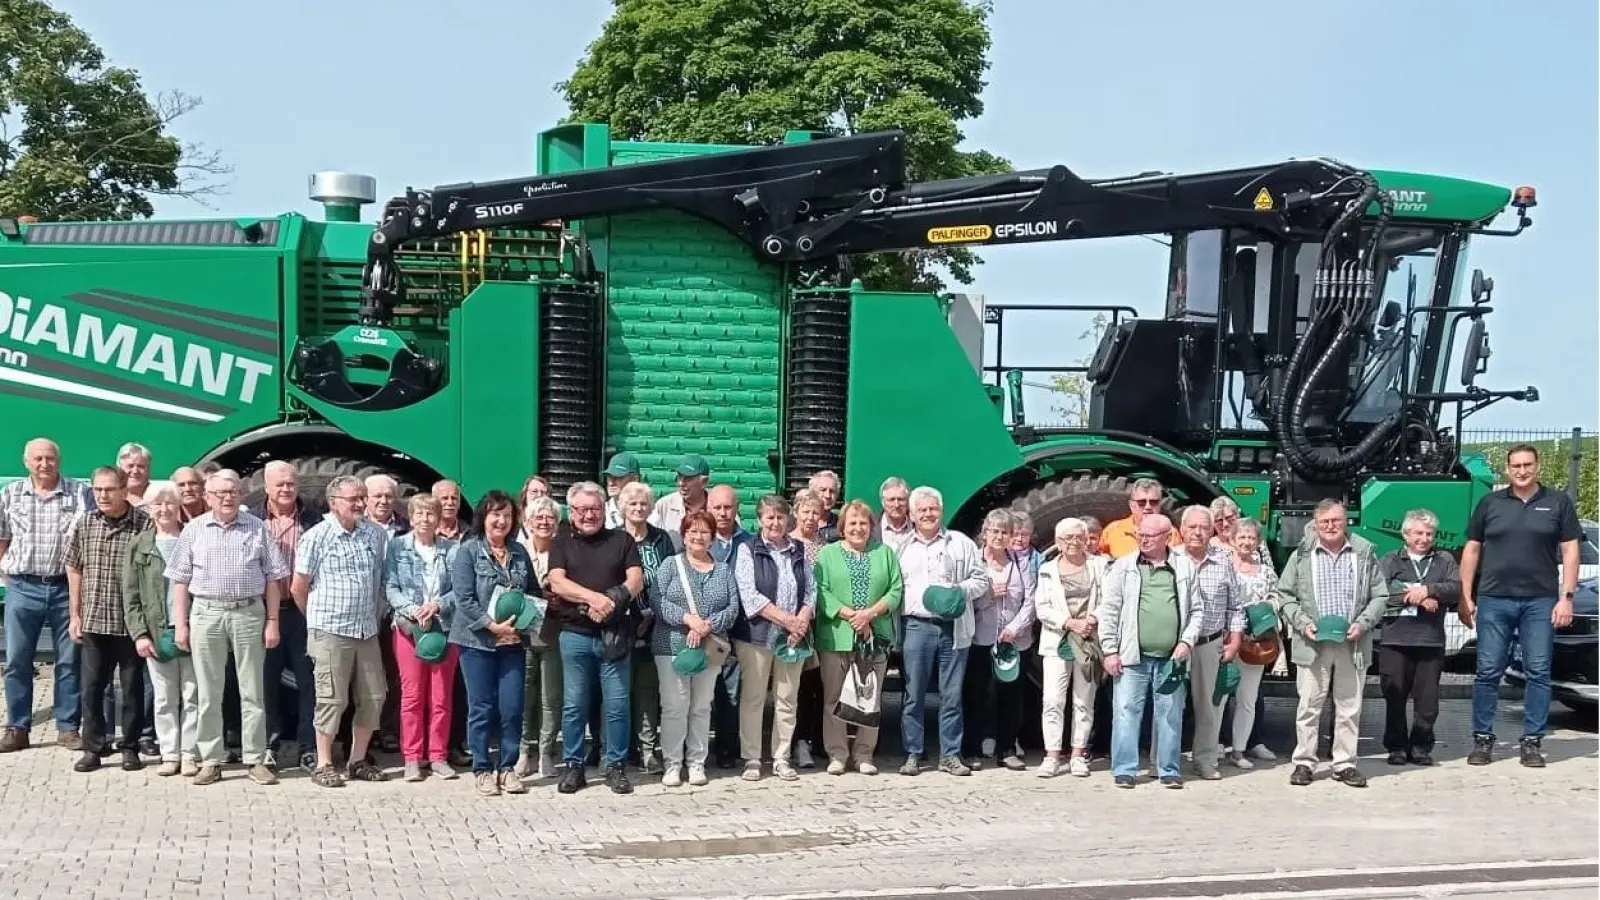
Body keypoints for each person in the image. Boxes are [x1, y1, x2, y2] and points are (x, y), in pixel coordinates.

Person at [1459, 444, 1584, 768]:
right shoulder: (1490, 504)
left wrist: (1566, 597)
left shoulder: (1558, 503)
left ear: (1537, 466)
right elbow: (1471, 550)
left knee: (1539, 671)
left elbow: (1571, 551)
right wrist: (1466, 595)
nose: (1522, 471)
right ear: (1508, 469)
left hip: (1540, 602)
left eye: (1528, 464)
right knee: (1487, 671)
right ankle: (1483, 739)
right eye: (1516, 466)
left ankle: (1532, 741)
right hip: (1494, 599)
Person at [167, 469, 288, 786]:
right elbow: (180, 582)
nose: (227, 497)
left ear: (240, 494)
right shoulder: (193, 531)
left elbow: (274, 579)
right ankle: (210, 759)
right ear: (207, 497)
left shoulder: (258, 528)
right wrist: (181, 625)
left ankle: (256, 758)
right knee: (208, 693)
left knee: (253, 692)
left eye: (232, 491)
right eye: (219, 492)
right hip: (206, 614)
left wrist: (272, 621)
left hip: (249, 613)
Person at [1273, 499, 1388, 788]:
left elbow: (1380, 596)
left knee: (1349, 706)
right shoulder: (1301, 555)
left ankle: (1345, 764)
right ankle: (1304, 763)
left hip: (1352, 642)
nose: (1331, 526)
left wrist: (1363, 623)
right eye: (1325, 521)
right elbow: (1284, 594)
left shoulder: (1363, 553)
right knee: (1309, 705)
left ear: (1345, 520)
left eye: (1336, 520)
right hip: (1313, 643)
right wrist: (1301, 622)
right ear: (1316, 523)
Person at [291, 475, 390, 789]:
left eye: (363, 497)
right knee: (331, 700)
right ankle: (323, 764)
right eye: (353, 499)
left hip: (366, 631)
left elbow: (379, 579)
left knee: (374, 696)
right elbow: (298, 587)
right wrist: (317, 621)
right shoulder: (317, 537)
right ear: (334, 503)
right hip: (330, 631)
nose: (361, 504)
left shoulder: (374, 534)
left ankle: (357, 760)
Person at [547, 481, 646, 795]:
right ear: (572, 511)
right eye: (583, 509)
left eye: (595, 509)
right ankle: (574, 766)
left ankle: (614, 765)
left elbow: (636, 580)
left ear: (605, 510)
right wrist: (595, 599)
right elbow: (557, 582)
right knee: (574, 705)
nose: (589, 515)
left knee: (617, 705)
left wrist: (612, 601)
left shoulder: (622, 540)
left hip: (614, 635)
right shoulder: (561, 542)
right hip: (575, 635)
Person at [0, 437, 95, 754]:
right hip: (22, 587)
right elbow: (2, 537)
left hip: (65, 588)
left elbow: (88, 537)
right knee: (17, 660)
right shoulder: (11, 494)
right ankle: (18, 727)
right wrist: (6, 575)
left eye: (50, 458)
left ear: (59, 460)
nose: (44, 464)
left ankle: (68, 727)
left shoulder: (79, 494)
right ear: (26, 461)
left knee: (69, 660)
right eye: (38, 459)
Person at [1098, 513, 1203, 788]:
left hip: (1172, 657)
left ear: (1167, 538)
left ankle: (1168, 770)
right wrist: (1109, 650)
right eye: (1140, 534)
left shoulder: (1184, 567)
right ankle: (1125, 770)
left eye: (1150, 535)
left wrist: (1186, 642)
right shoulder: (1124, 566)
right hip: (1132, 656)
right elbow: (1109, 610)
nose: (1143, 539)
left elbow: (1197, 611)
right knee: (1125, 711)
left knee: (1170, 713)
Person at [448, 490, 540, 796]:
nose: (501, 521)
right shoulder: (469, 551)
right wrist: (492, 627)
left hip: (513, 642)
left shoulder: (519, 552)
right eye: (495, 514)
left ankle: (508, 768)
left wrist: (522, 626)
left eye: (506, 515)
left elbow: (533, 594)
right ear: (483, 518)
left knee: (512, 707)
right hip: (477, 642)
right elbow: (463, 598)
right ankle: (482, 768)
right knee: (481, 707)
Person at [895, 486, 989, 777]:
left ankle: (950, 754)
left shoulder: (960, 543)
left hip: (953, 628)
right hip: (916, 627)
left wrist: (957, 592)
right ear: (911, 514)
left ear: (942, 511)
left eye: (933, 508)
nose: (928, 514)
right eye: (922, 510)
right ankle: (913, 753)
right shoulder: (901, 548)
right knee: (914, 695)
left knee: (951, 695)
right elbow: (894, 588)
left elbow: (981, 580)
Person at [65, 466, 153, 773]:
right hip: (94, 620)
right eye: (98, 489)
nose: (102, 495)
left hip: (130, 623)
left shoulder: (144, 524)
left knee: (131, 690)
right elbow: (74, 567)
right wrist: (74, 613)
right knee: (91, 688)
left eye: (109, 489)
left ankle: (129, 747)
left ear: (124, 489)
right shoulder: (86, 523)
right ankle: (94, 747)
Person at [812, 500, 902, 775]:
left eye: (863, 523)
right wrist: (850, 615)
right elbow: (820, 589)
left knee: (869, 697)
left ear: (871, 527)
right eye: (852, 523)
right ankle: (837, 754)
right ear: (842, 527)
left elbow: (895, 589)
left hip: (874, 636)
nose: (858, 528)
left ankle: (864, 754)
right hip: (837, 636)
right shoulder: (827, 554)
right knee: (834, 697)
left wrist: (870, 615)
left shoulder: (885, 553)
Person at [651, 510, 740, 787]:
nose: (698, 536)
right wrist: (687, 619)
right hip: (671, 644)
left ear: (712, 537)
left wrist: (707, 626)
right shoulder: (670, 565)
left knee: (702, 706)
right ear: (684, 534)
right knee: (675, 706)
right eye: (692, 531)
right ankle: (672, 763)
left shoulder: (723, 570)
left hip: (709, 646)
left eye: (704, 531)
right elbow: (657, 599)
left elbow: (733, 608)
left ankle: (697, 762)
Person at [732, 494, 816, 782]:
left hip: (793, 637)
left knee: (787, 699)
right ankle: (752, 758)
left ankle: (781, 757)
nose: (775, 522)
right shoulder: (747, 549)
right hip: (757, 636)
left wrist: (801, 620)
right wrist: (787, 620)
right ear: (759, 520)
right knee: (754, 698)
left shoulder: (800, 550)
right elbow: (749, 596)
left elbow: (811, 591)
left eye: (780, 517)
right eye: (770, 517)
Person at [123, 482, 199, 776]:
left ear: (179, 505)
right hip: (156, 632)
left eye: (170, 503)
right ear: (149, 509)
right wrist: (139, 634)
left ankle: (190, 753)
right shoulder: (139, 544)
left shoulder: (193, 538)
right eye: (158, 504)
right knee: (165, 697)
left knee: (193, 695)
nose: (164, 509)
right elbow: (130, 595)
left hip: (193, 629)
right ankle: (170, 753)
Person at [385, 493, 461, 782]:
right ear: (411, 517)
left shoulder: (452, 550)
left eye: (431, 514)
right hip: (409, 628)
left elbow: (459, 589)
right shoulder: (397, 547)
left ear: (438, 517)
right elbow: (390, 587)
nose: (425, 520)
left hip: (445, 627)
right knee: (413, 696)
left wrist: (438, 605)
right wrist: (413, 610)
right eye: (419, 514)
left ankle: (438, 755)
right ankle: (413, 758)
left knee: (441, 696)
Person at [1376, 509, 1461, 768]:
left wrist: (1430, 589)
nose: (1424, 538)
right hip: (1395, 639)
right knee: (1395, 695)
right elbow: (1379, 590)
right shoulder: (1391, 559)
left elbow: (1456, 588)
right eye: (1418, 533)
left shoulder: (1444, 560)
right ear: (1406, 534)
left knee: (1427, 700)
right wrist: (1411, 596)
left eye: (1429, 534)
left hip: (1429, 640)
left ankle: (1421, 746)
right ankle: (1397, 747)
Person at [1034, 517, 1104, 778]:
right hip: (1057, 640)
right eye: (1067, 538)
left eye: (1078, 537)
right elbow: (1041, 607)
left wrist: (1092, 620)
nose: (1073, 542)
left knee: (1083, 700)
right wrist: (1069, 623)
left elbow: (1109, 599)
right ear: (1058, 542)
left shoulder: (1100, 566)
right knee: (1052, 699)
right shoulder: (1047, 570)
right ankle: (1052, 755)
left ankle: (1078, 754)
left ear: (1087, 540)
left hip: (1088, 640)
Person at [617, 481, 674, 775]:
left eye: (643, 504)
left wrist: (652, 615)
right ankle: (619, 750)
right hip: (620, 626)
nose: (638, 508)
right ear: (622, 507)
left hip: (655, 624)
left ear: (651, 508)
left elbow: (667, 579)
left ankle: (649, 749)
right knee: (618, 690)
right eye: (633, 503)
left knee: (648, 690)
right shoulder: (613, 538)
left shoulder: (661, 539)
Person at [514, 495, 564, 779]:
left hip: (554, 632)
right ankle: (524, 750)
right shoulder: (518, 552)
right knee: (524, 693)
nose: (544, 522)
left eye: (550, 518)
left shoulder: (563, 551)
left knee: (550, 695)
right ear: (528, 521)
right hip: (522, 632)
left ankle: (546, 751)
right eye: (538, 517)